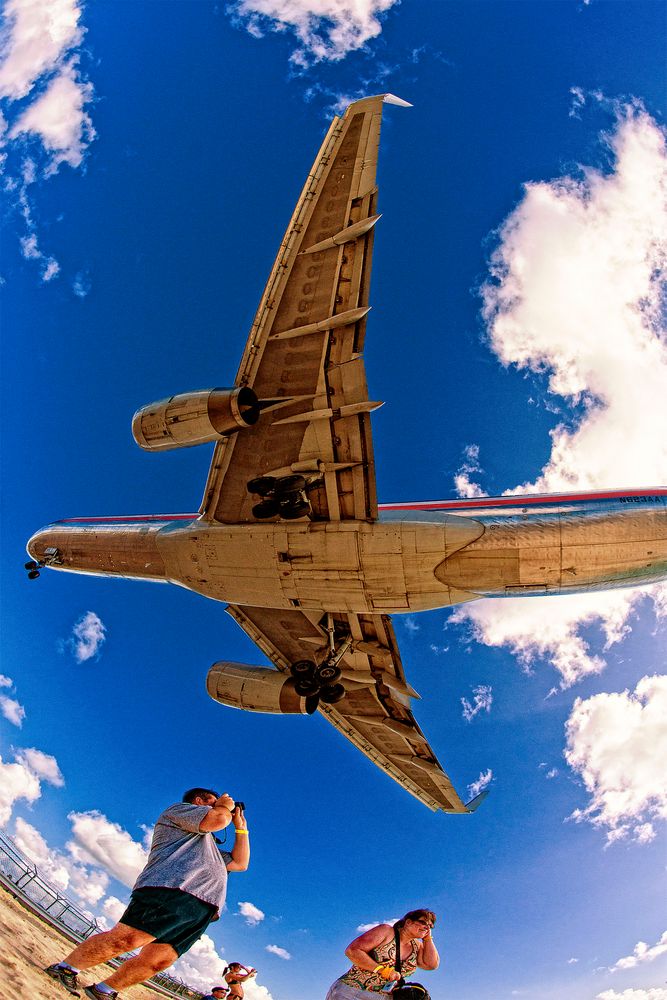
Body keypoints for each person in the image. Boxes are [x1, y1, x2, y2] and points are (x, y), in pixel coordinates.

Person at [44, 788, 250, 1000]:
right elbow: (216, 820)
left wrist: (241, 829)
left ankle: (104, 990)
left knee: (159, 959)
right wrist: (224, 805)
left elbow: (240, 863)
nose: (221, 807)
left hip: (202, 907)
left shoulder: (209, 844)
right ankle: (66, 968)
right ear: (198, 801)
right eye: (213, 802)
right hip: (171, 889)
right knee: (126, 940)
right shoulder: (180, 811)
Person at [325, 909, 439, 998]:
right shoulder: (386, 932)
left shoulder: (417, 946)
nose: (427, 927)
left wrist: (427, 938)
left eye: (430, 926)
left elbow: (431, 964)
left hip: (384, 997)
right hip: (352, 992)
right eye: (423, 922)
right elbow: (353, 951)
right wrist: (382, 970)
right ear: (408, 922)